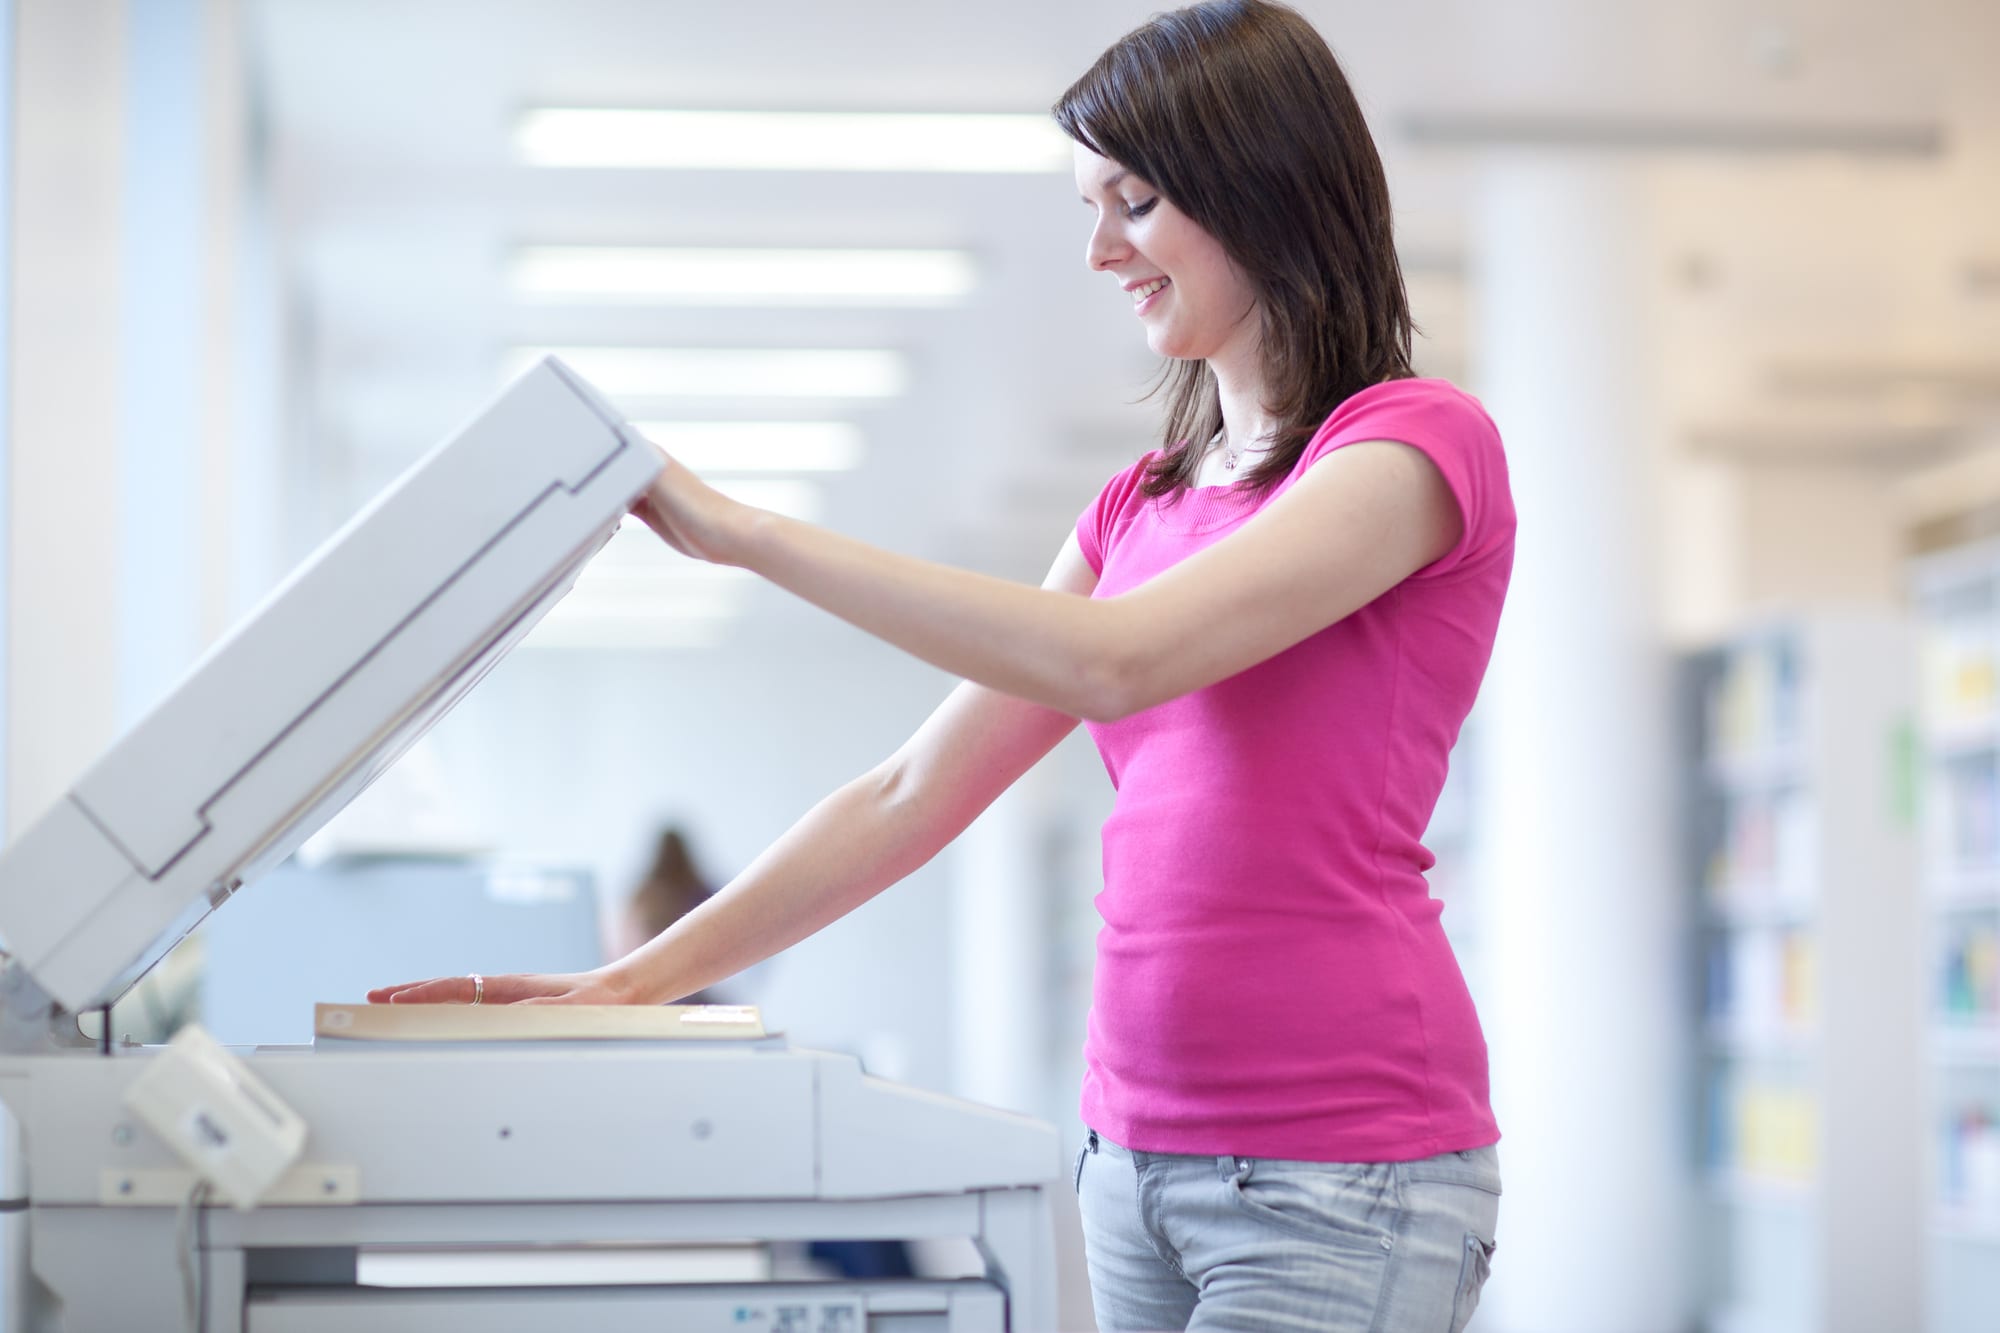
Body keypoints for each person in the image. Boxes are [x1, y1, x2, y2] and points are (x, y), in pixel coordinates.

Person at [371, 2, 1513, 1326]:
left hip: (1339, 1171)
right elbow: (910, 790)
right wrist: (626, 984)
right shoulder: (1138, 505)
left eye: (1133, 202)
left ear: (1253, 186)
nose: (1099, 250)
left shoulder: (1415, 447)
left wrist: (748, 534)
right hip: (1130, 1153)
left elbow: (1117, 661)